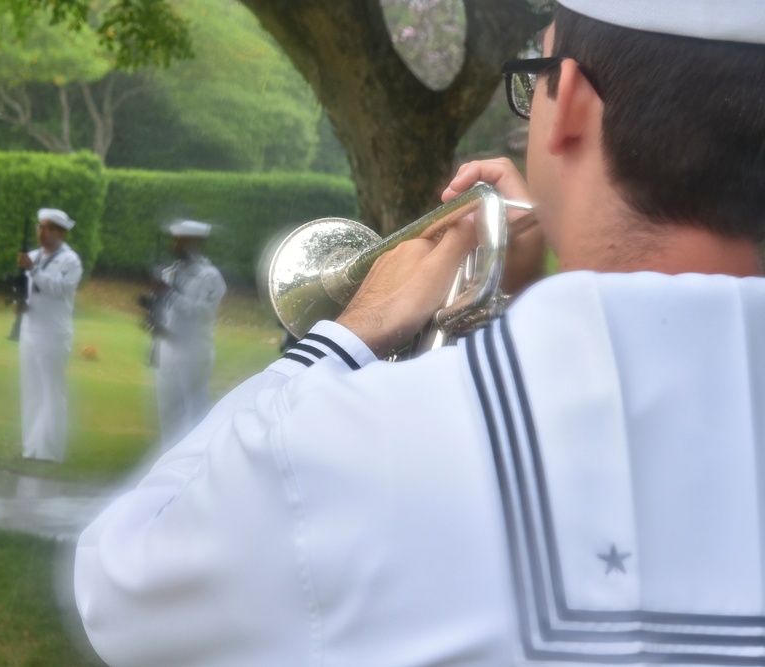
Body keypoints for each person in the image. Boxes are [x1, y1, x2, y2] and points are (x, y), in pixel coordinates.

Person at [75, 1, 765, 665]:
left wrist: (344, 337)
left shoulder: (346, 451)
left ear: (574, 108)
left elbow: (124, 585)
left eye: (537, 82)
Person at [149, 220, 226, 449]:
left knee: (194, 409)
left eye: (183, 241)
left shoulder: (209, 276)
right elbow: (166, 308)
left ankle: (192, 463)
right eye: (176, 240)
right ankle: (166, 463)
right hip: (167, 346)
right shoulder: (169, 271)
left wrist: (169, 294)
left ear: (197, 244)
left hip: (193, 351)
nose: (177, 245)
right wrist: (155, 315)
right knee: (167, 410)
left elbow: (203, 312)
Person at [17, 208, 83, 462]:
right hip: (29, 329)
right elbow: (29, 290)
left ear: (61, 233)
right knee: (31, 389)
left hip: (53, 332)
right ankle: (32, 447)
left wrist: (33, 270)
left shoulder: (70, 261)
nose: (41, 232)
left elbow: (59, 290)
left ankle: (50, 450)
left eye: (48, 228)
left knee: (51, 390)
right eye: (40, 227)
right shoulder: (33, 256)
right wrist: (19, 302)